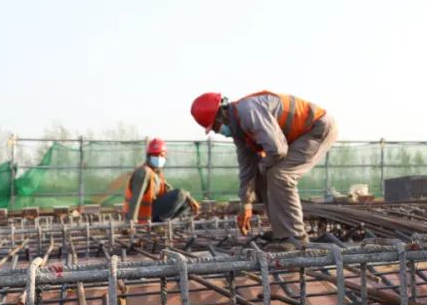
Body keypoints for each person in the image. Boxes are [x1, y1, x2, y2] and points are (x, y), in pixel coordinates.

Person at [190, 91, 337, 251]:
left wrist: (262, 166)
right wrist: (246, 204)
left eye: (215, 128)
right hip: (302, 134)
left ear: (221, 115)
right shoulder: (239, 131)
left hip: (317, 128)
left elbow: (277, 150)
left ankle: (295, 236)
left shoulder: (248, 112)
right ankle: (282, 232)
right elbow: (247, 170)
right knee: (264, 173)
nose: (217, 132)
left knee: (280, 175)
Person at [123, 138, 200, 223]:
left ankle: (160, 224)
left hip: (151, 212)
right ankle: (154, 223)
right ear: (149, 156)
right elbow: (136, 198)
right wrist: (131, 222)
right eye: (155, 155)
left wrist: (188, 197)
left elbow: (169, 190)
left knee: (186, 202)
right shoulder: (143, 172)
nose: (158, 158)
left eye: (161, 155)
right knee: (180, 194)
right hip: (142, 214)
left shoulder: (157, 174)